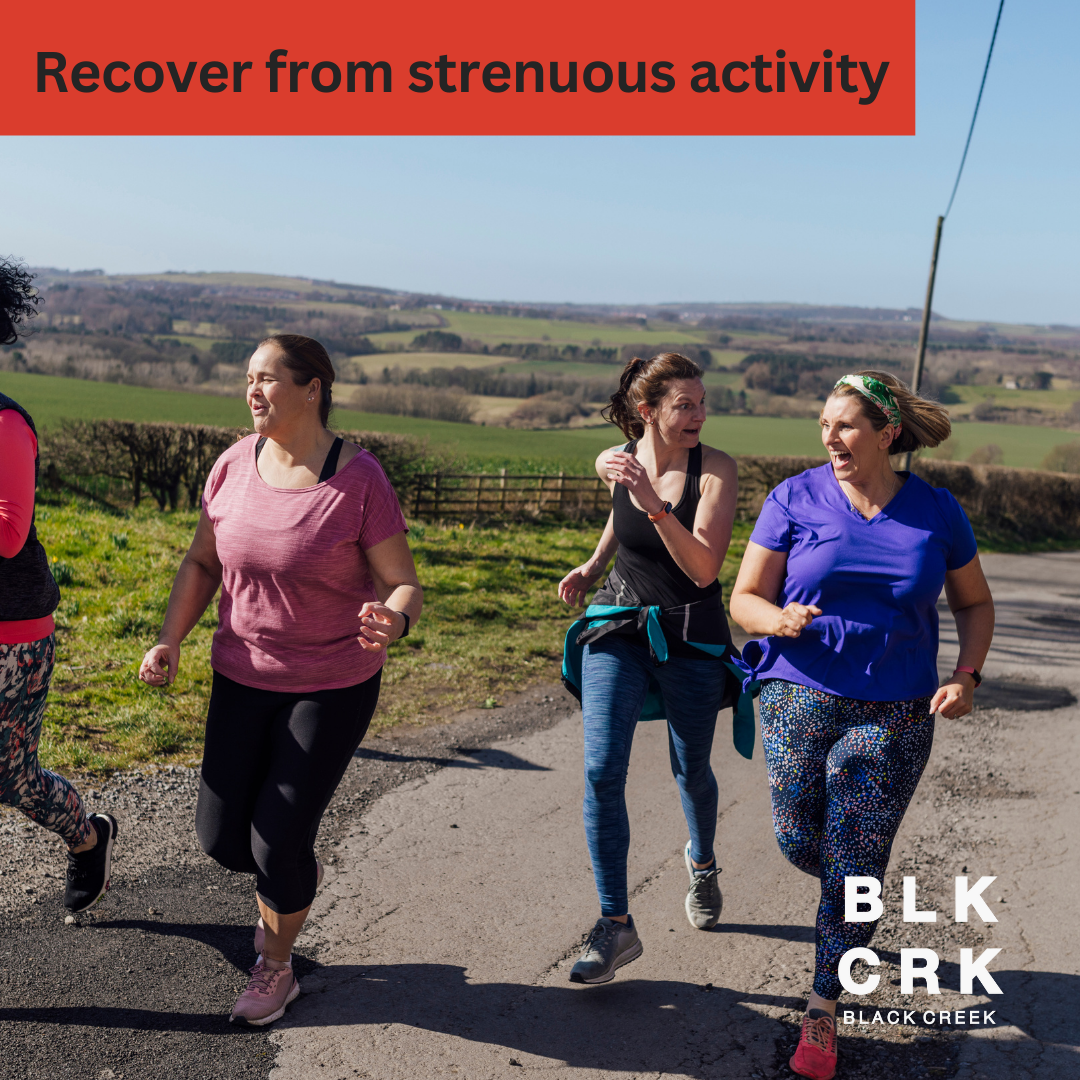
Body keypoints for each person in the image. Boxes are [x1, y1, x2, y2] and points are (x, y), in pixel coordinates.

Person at [138, 333, 422, 1027]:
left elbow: (402, 582)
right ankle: (290, 876)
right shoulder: (234, 464)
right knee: (222, 842)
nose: (252, 391)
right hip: (240, 672)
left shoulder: (358, 480)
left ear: (311, 389)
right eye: (247, 379)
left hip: (330, 682)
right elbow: (202, 563)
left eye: (266, 379)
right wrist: (170, 638)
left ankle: (277, 964)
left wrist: (394, 620)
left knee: (276, 841)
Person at [729, 371, 995, 1080]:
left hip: (900, 710)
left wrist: (965, 678)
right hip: (797, 694)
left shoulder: (937, 513)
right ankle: (850, 889)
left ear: (886, 434)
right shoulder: (794, 497)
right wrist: (777, 619)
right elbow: (744, 598)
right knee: (798, 839)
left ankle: (823, 1010)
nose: (829, 437)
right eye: (824, 424)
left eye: (844, 425)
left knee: (852, 863)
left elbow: (974, 605)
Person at [557, 352, 744, 985]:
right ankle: (615, 925)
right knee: (601, 768)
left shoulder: (716, 470)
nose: (698, 415)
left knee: (691, 766)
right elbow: (621, 519)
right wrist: (590, 565)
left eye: (701, 403)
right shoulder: (625, 458)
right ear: (649, 412)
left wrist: (651, 499)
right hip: (619, 624)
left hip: (690, 636)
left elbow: (703, 569)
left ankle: (703, 863)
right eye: (684, 404)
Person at [0, 257, 119, 911]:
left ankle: (87, 837)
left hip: (10, 634)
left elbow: (9, 532)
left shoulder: (5, 423)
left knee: (12, 781)